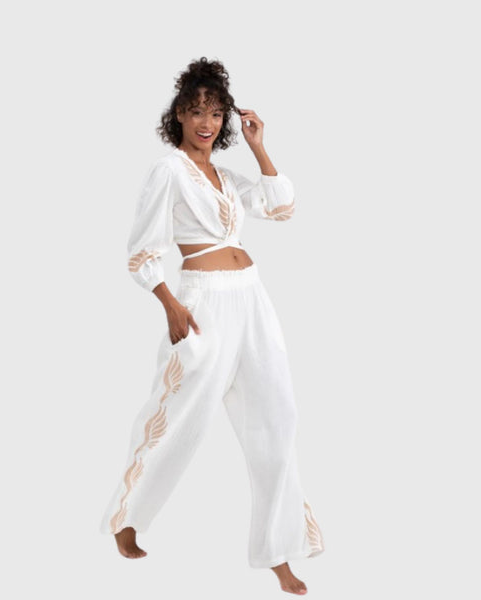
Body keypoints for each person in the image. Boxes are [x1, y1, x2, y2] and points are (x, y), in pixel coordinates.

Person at [99, 57, 324, 596]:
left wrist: (258, 146)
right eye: (197, 111)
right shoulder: (169, 171)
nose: (207, 122)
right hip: (203, 303)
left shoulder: (224, 177)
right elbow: (141, 251)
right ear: (178, 114)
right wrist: (171, 305)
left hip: (253, 299)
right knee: (179, 413)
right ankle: (128, 517)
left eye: (216, 113)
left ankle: (278, 551)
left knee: (277, 417)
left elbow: (282, 208)